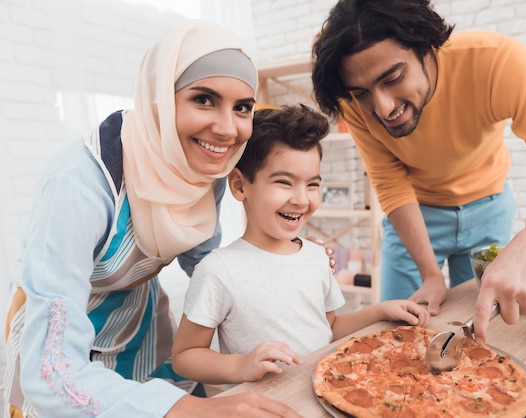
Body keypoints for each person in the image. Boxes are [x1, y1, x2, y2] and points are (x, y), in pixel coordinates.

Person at [2, 19, 303, 418]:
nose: (227, 129)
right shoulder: (78, 183)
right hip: (58, 329)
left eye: (242, 107)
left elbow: (203, 263)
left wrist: (285, 270)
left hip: (137, 319)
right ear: (161, 96)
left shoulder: (200, 167)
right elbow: (53, 370)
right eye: (204, 99)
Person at [310, 0, 526, 344]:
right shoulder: (355, 103)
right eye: (362, 93)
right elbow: (390, 183)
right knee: (395, 337)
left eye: (393, 78)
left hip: (489, 209)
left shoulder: (496, 61)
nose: (383, 107)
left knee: (481, 337)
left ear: (427, 47)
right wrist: (430, 274)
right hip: (415, 215)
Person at [170, 105, 430, 385]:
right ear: (239, 186)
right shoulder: (218, 270)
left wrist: (380, 311)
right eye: (284, 182)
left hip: (325, 392)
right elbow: (185, 356)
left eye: (312, 185)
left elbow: (328, 327)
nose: (301, 199)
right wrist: (241, 365)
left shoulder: (317, 255)